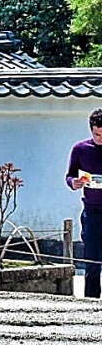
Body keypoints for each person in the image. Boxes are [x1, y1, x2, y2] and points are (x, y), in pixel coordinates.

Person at [66, 108, 102, 298]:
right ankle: (91, 303)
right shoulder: (81, 149)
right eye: (97, 134)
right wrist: (74, 183)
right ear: (91, 130)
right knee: (92, 261)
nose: (101, 138)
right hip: (92, 211)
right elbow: (69, 176)